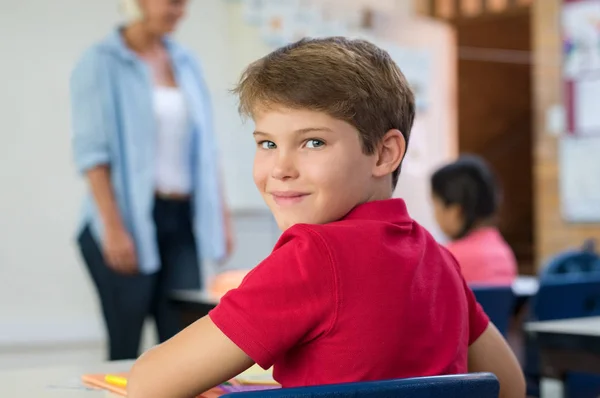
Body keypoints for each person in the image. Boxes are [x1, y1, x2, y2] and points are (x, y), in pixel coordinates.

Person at [127, 37, 525, 398]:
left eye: (312, 142)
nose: (280, 168)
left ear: (385, 153)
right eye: (267, 143)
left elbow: (149, 384)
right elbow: (508, 384)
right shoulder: (437, 258)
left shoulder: (312, 256)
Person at [70, 0, 234, 361]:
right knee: (126, 343)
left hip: (182, 220)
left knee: (184, 346)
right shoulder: (101, 62)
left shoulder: (186, 62)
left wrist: (221, 216)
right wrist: (113, 228)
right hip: (123, 221)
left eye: (185, 3)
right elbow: (92, 154)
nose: (180, 10)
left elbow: (207, 150)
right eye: (172, 1)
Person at [431, 155, 518, 285]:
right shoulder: (504, 253)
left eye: (436, 206)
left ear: (455, 212)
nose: (435, 216)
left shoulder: (447, 259)